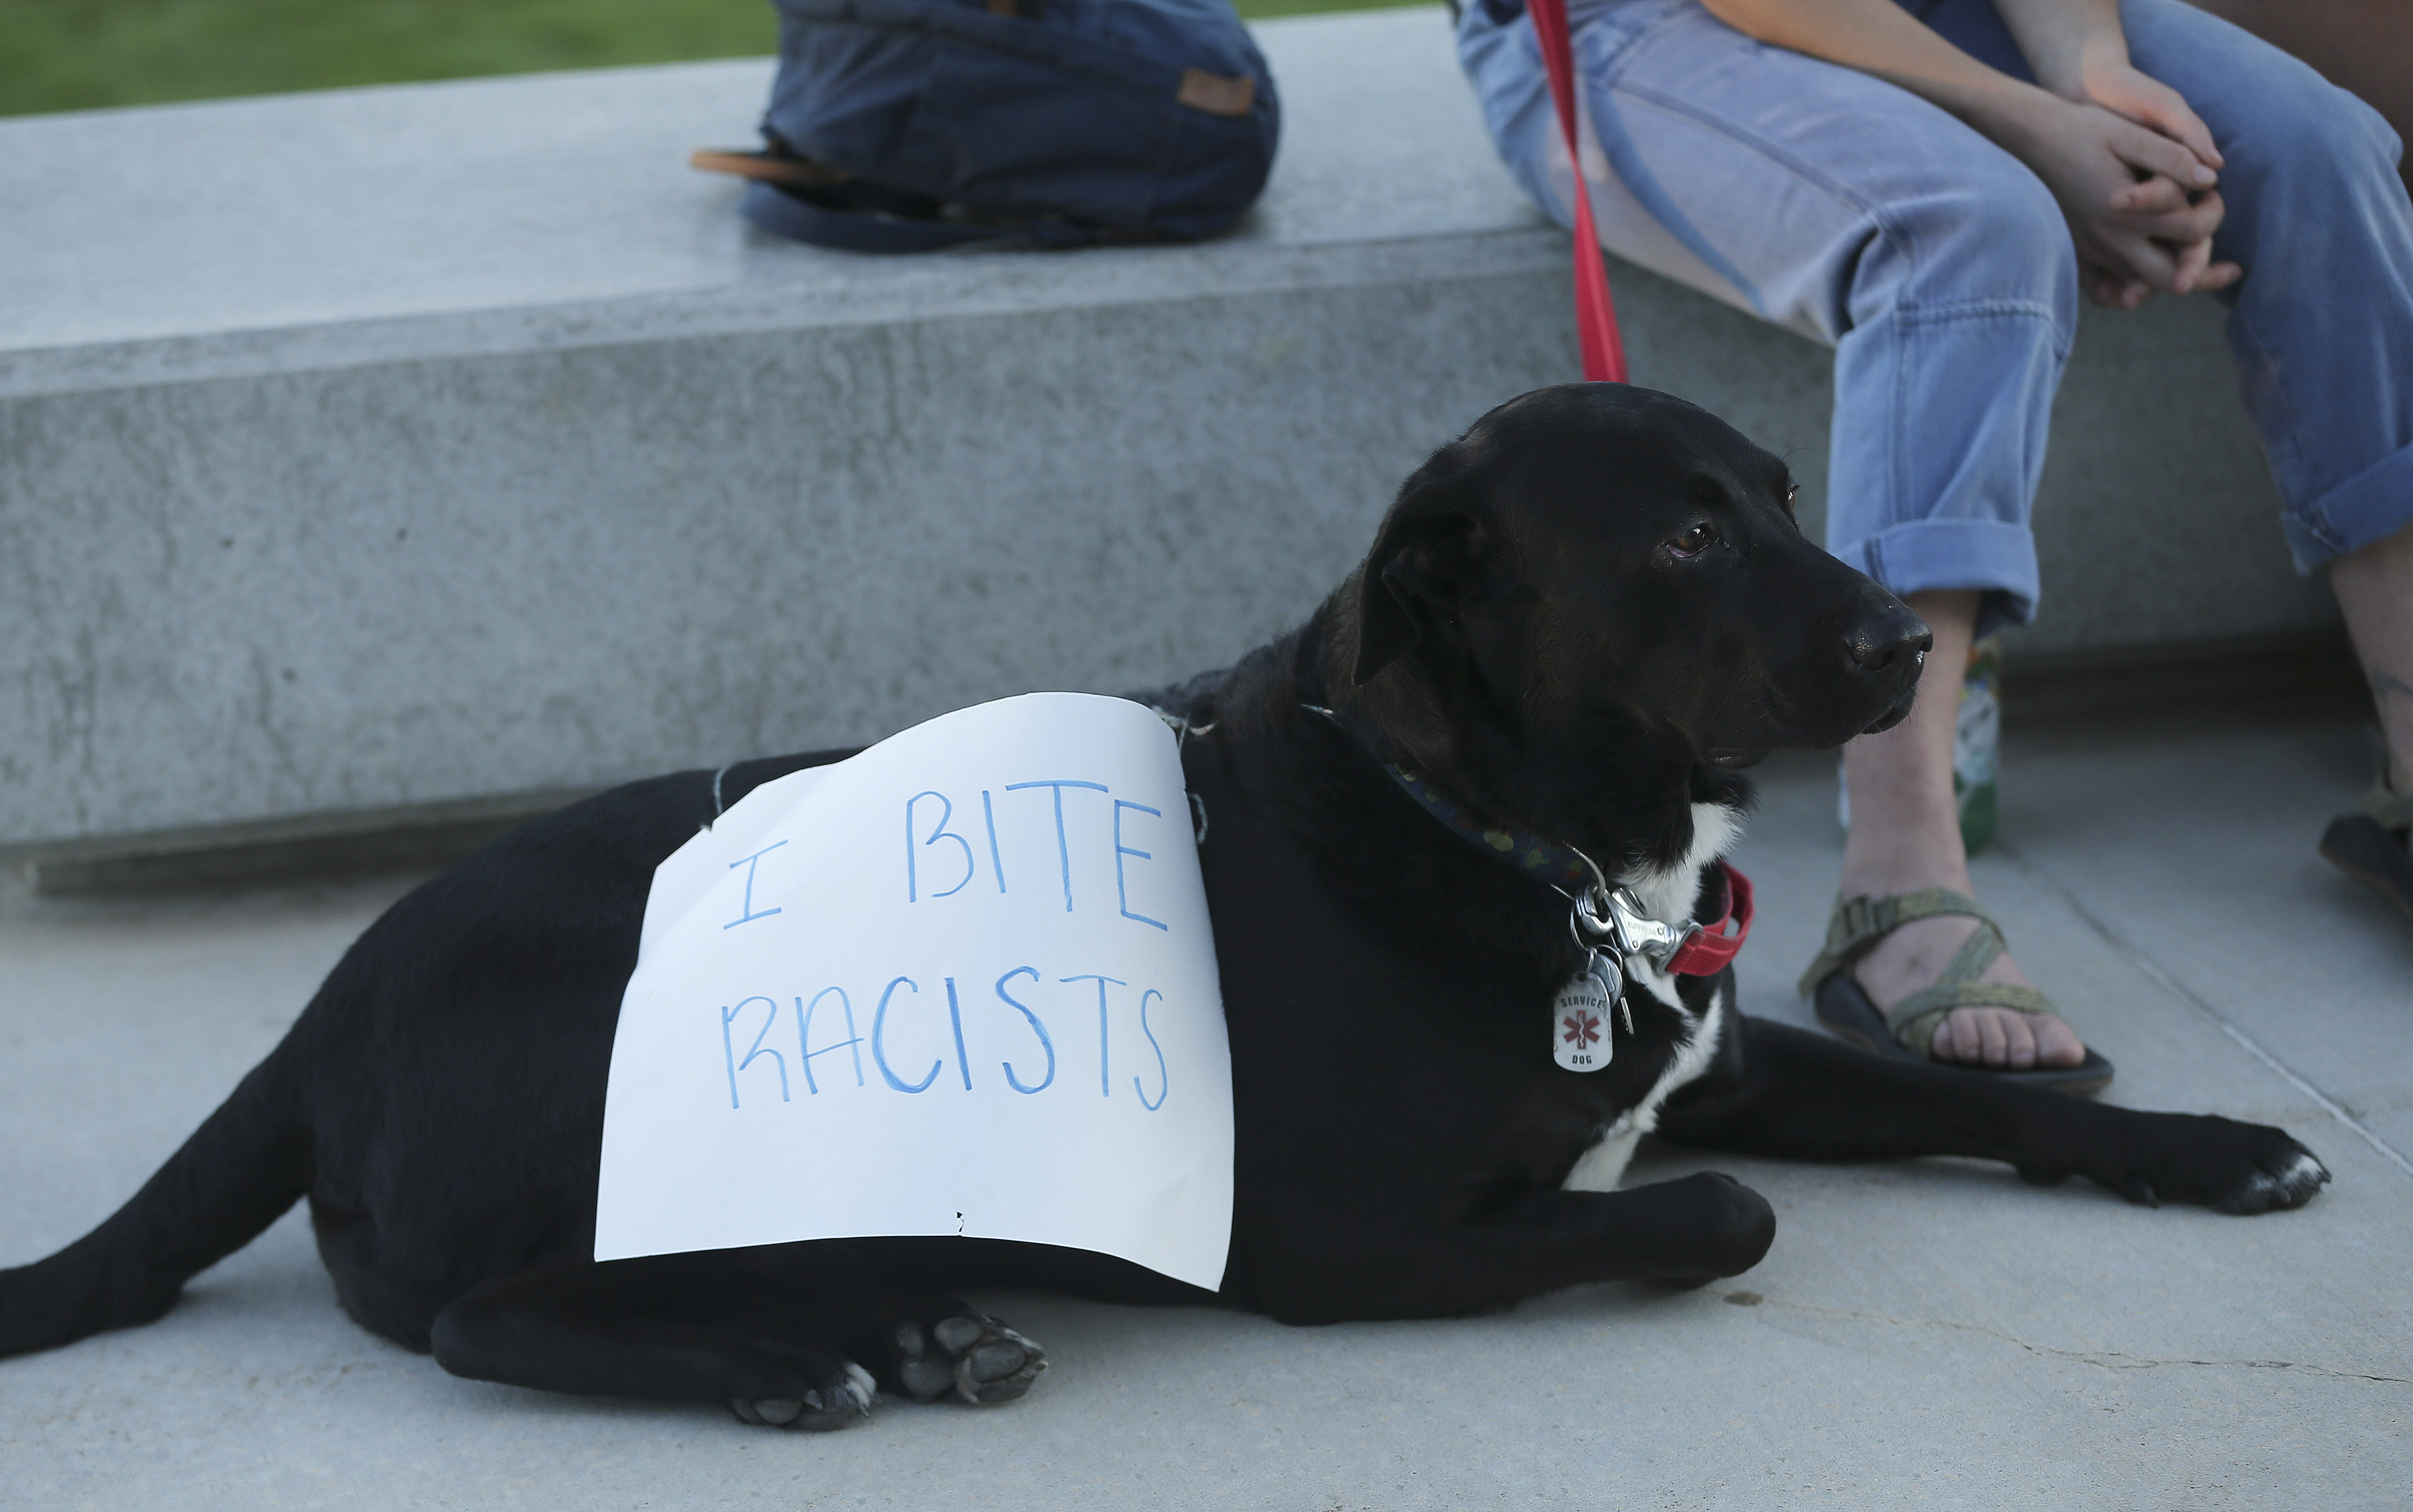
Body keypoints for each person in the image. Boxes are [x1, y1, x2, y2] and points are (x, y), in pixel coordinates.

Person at [1455, 0, 2413, 1086]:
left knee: (2320, 151)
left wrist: (2089, 68)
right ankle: (1894, 889)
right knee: (1971, 228)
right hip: (1622, 29)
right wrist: (2035, 124)